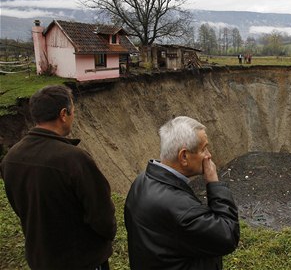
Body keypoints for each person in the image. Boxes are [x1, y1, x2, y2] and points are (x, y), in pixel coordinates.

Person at [0, 85, 117, 270]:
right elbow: (102, 217)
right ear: (64, 114)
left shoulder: (11, 158)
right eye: (73, 112)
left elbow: (20, 206)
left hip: (40, 259)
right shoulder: (74, 159)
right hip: (81, 260)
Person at [124, 116, 240, 270]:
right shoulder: (182, 210)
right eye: (204, 148)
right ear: (184, 156)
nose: (209, 155)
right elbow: (228, 235)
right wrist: (214, 183)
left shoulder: (141, 181)